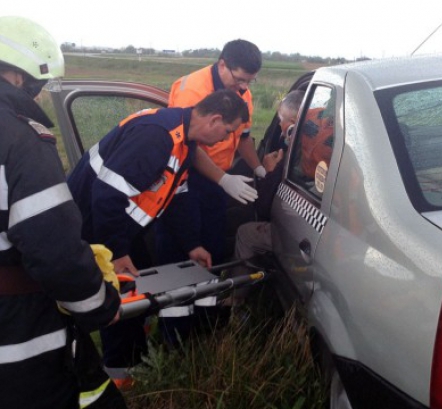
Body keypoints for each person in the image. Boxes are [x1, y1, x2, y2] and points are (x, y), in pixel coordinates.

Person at [66, 88, 249, 388]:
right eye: (228, 131)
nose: (225, 139)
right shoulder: (156, 137)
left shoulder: (184, 143)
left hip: (119, 228)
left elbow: (176, 197)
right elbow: (105, 196)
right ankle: (119, 375)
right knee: (119, 295)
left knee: (138, 290)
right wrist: (118, 251)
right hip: (90, 227)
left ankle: (135, 356)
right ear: (215, 119)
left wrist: (192, 244)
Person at [0, 16, 124, 408]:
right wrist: (100, 306)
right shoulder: (20, 138)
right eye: (37, 87)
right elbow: (52, 249)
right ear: (20, 78)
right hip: (18, 335)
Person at [154, 39, 280, 340]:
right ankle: (173, 335)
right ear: (222, 64)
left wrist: (258, 169)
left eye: (249, 82)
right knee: (178, 255)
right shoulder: (193, 90)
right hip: (183, 180)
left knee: (209, 251)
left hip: (215, 183)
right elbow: (189, 145)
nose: (244, 88)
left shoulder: (242, 94)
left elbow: (244, 139)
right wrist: (223, 179)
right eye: (240, 79)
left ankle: (204, 323)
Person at [231, 91, 304, 305]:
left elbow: (264, 209)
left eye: (280, 121)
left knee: (247, 233)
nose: (280, 130)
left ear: (292, 123)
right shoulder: (323, 141)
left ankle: (237, 301)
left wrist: (270, 172)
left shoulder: (296, 151)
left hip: (301, 230)